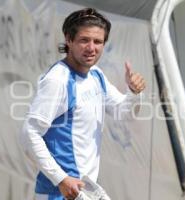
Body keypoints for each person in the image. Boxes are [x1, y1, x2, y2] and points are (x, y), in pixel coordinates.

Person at [21, 7, 146, 200]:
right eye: (84, 40)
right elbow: (29, 133)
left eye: (98, 42)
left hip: (85, 191)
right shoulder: (58, 80)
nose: (91, 48)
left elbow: (124, 113)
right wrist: (61, 179)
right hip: (59, 193)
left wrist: (134, 93)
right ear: (68, 40)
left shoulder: (95, 74)